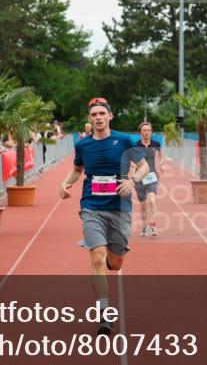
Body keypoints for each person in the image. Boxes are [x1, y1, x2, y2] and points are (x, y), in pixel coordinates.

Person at [59, 97, 150, 336]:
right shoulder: (83, 145)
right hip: (91, 206)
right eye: (94, 115)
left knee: (115, 262)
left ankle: (113, 257)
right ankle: (104, 314)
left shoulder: (125, 140)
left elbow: (144, 167)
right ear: (89, 119)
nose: (98, 118)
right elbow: (78, 169)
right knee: (97, 257)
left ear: (110, 116)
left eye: (102, 114)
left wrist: (132, 180)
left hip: (120, 208)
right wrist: (65, 183)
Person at [133, 121, 164, 237]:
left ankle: (153, 226)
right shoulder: (135, 145)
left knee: (151, 200)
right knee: (143, 204)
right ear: (140, 133)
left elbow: (161, 154)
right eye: (144, 130)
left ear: (151, 132)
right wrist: (133, 166)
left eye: (149, 130)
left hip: (151, 176)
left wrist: (161, 163)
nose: (147, 132)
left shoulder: (156, 144)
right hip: (139, 177)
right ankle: (145, 226)